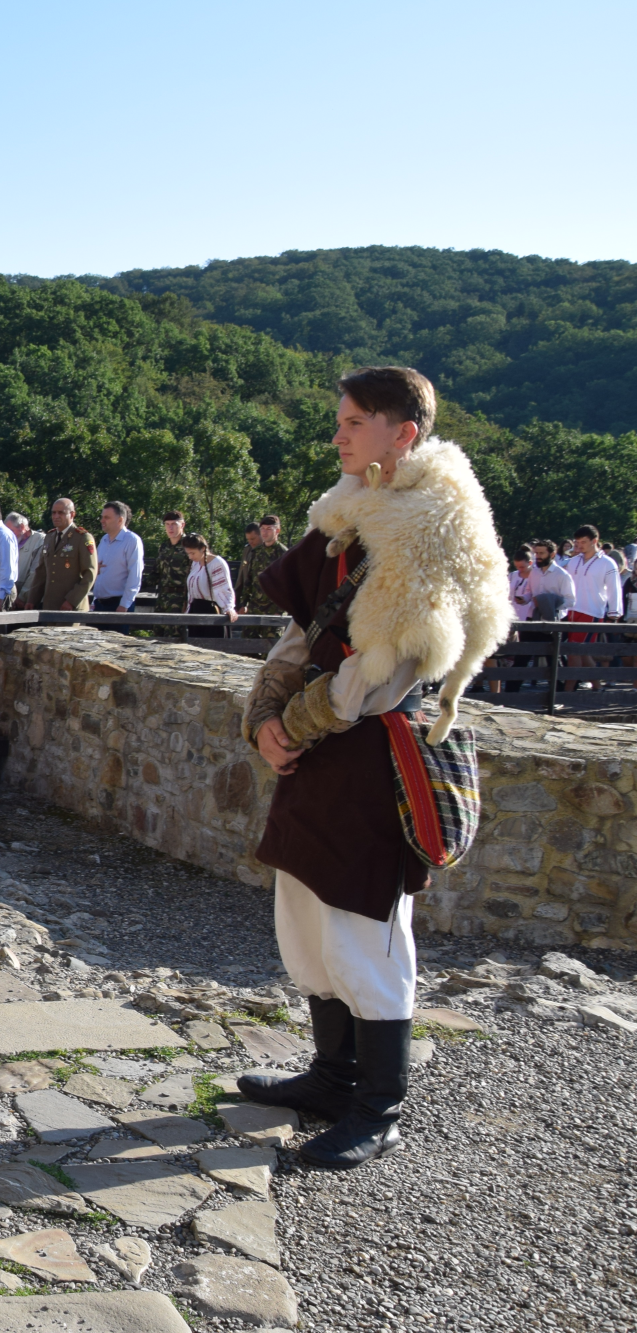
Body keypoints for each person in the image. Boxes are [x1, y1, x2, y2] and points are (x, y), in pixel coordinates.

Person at [239, 366, 509, 1170]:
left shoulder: (434, 525)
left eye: (354, 421)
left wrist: (297, 721)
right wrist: (264, 718)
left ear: (404, 433)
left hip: (376, 757)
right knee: (307, 922)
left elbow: (385, 671)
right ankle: (332, 1075)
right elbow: (304, 630)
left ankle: (378, 1107)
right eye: (341, 420)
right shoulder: (350, 509)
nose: (338, 435)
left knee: (366, 932)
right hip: (319, 757)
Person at [561, 524, 624, 688]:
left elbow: (614, 589)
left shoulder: (607, 563)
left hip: (591, 611)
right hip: (571, 610)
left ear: (594, 541)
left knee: (574, 651)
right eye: (577, 542)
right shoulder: (573, 561)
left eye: (583, 542)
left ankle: (567, 692)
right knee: (580, 652)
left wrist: (614, 614)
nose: (579, 545)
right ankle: (597, 686)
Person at [18, 498, 96, 611]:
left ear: (72, 514)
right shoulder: (49, 537)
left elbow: (89, 574)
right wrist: (32, 600)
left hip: (72, 608)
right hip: (50, 606)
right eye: (53, 512)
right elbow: (41, 573)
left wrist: (71, 601)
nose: (56, 516)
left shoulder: (82, 538)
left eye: (61, 513)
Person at [181, 534, 236, 637]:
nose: (190, 557)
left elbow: (223, 588)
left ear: (203, 549)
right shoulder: (195, 563)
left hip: (210, 610)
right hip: (195, 609)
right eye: (188, 553)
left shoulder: (217, 563)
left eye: (193, 553)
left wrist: (228, 608)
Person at [92, 501, 143, 612]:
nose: (102, 521)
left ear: (120, 520)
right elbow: (99, 572)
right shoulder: (104, 540)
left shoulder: (132, 541)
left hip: (118, 605)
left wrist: (124, 605)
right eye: (102, 517)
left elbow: (135, 575)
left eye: (107, 517)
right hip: (99, 605)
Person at [240, 514, 290, 617]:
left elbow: (289, 586)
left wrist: (279, 611)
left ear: (277, 531)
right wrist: (243, 604)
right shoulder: (255, 552)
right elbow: (249, 579)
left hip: (274, 611)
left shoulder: (284, 554)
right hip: (254, 610)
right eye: (262, 529)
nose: (264, 532)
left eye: (269, 529)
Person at [152, 511, 192, 615]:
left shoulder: (190, 545)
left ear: (182, 525)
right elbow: (156, 573)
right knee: (158, 630)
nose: (170, 528)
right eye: (167, 524)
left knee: (176, 630)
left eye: (174, 524)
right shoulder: (164, 546)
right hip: (162, 598)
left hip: (181, 599)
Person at [7, 512, 45, 602]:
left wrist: (22, 597)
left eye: (11, 531)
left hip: (28, 599)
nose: (8, 535)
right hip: (11, 596)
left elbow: (35, 572)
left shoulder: (40, 540)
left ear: (22, 527)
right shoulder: (11, 541)